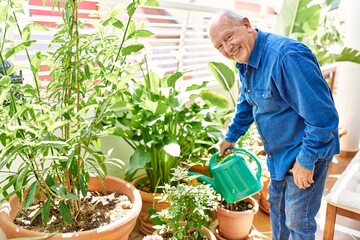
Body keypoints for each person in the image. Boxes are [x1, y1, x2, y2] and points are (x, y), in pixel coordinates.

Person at [208, 9, 340, 240]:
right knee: (278, 213)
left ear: (246, 24)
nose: (227, 49)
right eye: (219, 46)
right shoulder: (246, 61)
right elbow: (246, 102)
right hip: (279, 155)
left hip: (306, 153)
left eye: (228, 37)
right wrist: (231, 136)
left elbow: (323, 118)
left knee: (299, 223)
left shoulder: (286, 57)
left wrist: (306, 160)